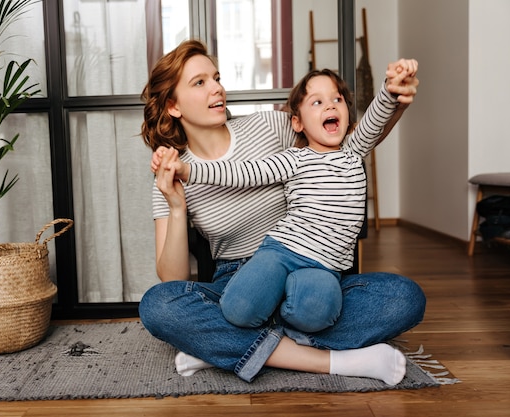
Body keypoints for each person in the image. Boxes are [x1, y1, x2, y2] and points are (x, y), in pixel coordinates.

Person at [139, 39, 425, 386]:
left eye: (216, 77)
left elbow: (344, 144)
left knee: (405, 298)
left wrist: (394, 100)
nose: (217, 88)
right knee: (158, 305)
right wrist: (177, 204)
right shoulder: (171, 174)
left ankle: (226, 349)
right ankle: (333, 360)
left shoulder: (270, 127)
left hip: (312, 271)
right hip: (238, 285)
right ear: (173, 106)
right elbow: (173, 280)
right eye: (200, 82)